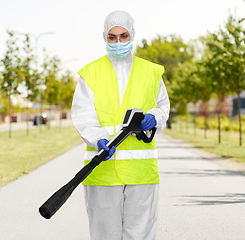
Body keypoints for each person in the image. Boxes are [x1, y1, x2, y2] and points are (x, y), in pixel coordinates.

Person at [71, 10, 170, 240]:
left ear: (132, 35)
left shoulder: (152, 71)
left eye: (123, 36)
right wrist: (98, 139)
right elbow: (83, 114)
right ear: (105, 37)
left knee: (141, 234)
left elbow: (163, 106)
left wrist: (155, 116)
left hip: (141, 172)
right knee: (105, 234)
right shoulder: (90, 73)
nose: (118, 42)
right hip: (102, 168)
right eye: (112, 37)